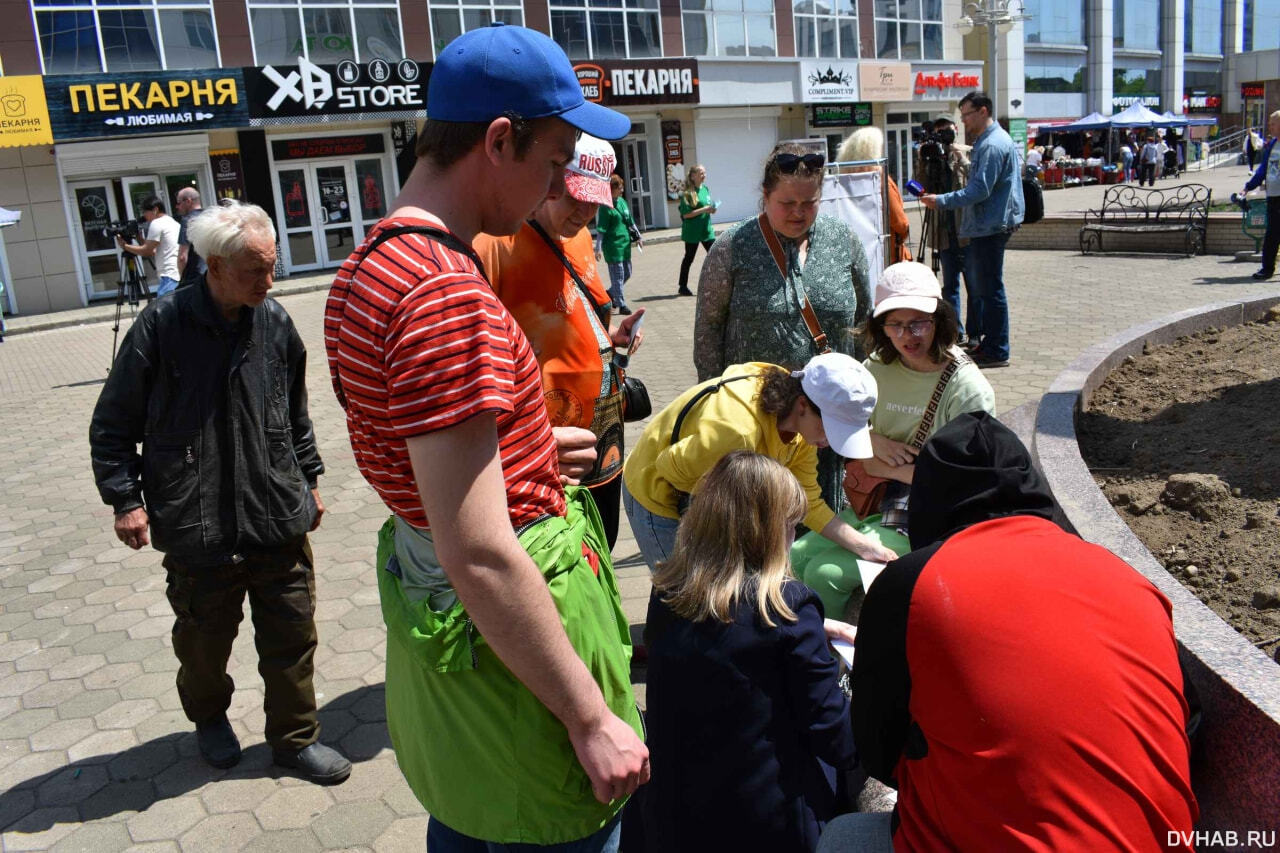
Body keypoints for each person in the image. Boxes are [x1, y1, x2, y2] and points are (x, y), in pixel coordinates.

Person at [323, 23, 648, 850]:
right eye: (554, 158)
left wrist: (529, 449)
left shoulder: (371, 263)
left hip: (459, 649)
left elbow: (419, 462)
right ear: (499, 141)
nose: (556, 183)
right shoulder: (445, 294)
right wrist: (588, 716)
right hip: (515, 648)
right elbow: (479, 550)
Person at [820, 412, 1199, 852]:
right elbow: (1186, 718)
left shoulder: (912, 583)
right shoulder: (1126, 577)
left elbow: (879, 751)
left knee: (842, 838)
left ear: (929, 496)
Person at [89, 200, 351, 785]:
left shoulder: (276, 322)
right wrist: (125, 500)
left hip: (274, 511)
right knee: (203, 644)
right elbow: (112, 424)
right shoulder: (161, 325)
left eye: (272, 266)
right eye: (255, 270)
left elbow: (296, 414)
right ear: (213, 265)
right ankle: (209, 718)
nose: (269, 280)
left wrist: (309, 481)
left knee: (292, 634)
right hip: (197, 521)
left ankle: (295, 740)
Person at [642, 450, 859, 853]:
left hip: (679, 813)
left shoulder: (667, 592)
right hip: (768, 820)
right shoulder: (788, 605)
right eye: (792, 527)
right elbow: (837, 737)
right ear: (770, 531)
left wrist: (812, 629)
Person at [791, 262, 994, 617]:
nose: (907, 336)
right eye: (895, 324)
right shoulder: (876, 367)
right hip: (871, 500)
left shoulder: (968, 389)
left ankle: (839, 665)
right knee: (793, 556)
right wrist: (874, 441)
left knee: (825, 575)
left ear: (940, 319)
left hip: (926, 513)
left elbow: (963, 482)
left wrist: (887, 465)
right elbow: (855, 450)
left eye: (919, 322)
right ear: (879, 325)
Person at [476, 134, 645, 549]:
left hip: (603, 433)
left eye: (595, 202)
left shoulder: (582, 237)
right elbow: (479, 356)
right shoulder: (496, 245)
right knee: (562, 559)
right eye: (576, 199)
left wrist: (608, 337)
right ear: (549, 183)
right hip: (549, 443)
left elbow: (567, 310)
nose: (586, 213)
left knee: (602, 543)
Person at [694, 142, 872, 511]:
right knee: (762, 522)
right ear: (765, 196)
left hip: (827, 421)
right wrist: (714, 407)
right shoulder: (732, 248)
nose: (799, 213)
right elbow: (708, 336)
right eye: (787, 203)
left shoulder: (844, 242)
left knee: (822, 516)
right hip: (759, 424)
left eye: (809, 203)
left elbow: (863, 323)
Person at [621, 352, 898, 572]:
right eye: (832, 428)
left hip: (709, 492)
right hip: (658, 493)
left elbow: (809, 503)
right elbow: (669, 468)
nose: (831, 442)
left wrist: (864, 546)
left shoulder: (802, 432)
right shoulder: (737, 433)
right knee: (680, 593)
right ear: (803, 405)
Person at [921, 91, 1023, 369]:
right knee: (986, 288)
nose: (963, 121)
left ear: (982, 111)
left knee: (989, 290)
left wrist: (941, 201)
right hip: (986, 224)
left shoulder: (991, 144)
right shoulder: (991, 141)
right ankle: (990, 344)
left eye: (966, 114)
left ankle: (997, 349)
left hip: (988, 226)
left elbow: (979, 190)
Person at [917, 115, 977, 347]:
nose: (943, 137)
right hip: (943, 232)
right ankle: (954, 332)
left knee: (974, 286)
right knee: (949, 286)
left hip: (966, 230)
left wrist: (958, 158)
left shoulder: (967, 152)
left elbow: (975, 183)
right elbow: (918, 188)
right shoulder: (930, 154)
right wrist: (924, 161)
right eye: (939, 132)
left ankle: (975, 334)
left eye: (947, 131)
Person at [836, 127, 912, 263]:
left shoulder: (843, 182)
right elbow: (900, 224)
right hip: (887, 255)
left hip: (858, 255)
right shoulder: (881, 182)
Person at [595, 174, 643, 314]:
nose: (622, 190)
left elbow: (630, 220)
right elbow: (601, 230)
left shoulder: (622, 202)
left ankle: (609, 294)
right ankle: (621, 304)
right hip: (613, 247)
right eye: (619, 188)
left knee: (627, 273)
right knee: (619, 276)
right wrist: (598, 248)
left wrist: (638, 237)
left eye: (622, 187)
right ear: (611, 189)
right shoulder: (605, 207)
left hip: (625, 245)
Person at [117, 194, 181, 297]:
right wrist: (138, 236)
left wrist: (125, 246)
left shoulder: (157, 223)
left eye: (145, 212)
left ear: (155, 209)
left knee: (164, 310)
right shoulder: (173, 223)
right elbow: (153, 250)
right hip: (177, 274)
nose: (144, 216)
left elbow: (147, 251)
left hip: (168, 277)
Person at [1243, 110, 1280, 280]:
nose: (1270, 127)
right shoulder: (1272, 145)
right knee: (1272, 233)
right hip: (1273, 197)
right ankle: (1267, 269)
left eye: (1273, 124)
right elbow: (1263, 169)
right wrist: (1249, 187)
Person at [676, 164, 717, 296]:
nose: (704, 175)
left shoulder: (705, 189)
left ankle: (716, 284)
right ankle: (682, 286)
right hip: (693, 231)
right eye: (701, 173)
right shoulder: (689, 193)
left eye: (704, 173)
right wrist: (705, 209)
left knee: (716, 256)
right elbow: (687, 214)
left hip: (706, 230)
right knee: (689, 258)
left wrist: (712, 209)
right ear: (693, 176)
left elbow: (707, 207)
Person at [176, 187, 206, 290]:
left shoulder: (188, 221)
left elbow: (182, 257)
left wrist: (181, 277)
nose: (177, 206)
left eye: (179, 203)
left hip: (195, 277)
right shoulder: (211, 217)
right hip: (214, 274)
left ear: (188, 201)